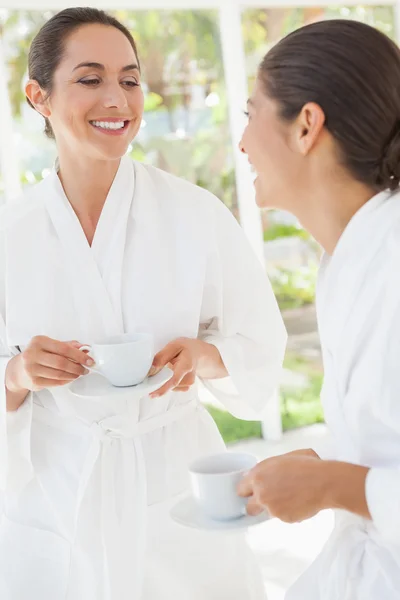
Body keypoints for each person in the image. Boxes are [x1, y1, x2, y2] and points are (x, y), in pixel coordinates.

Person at [0, 7, 287, 600]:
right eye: (89, 78)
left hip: (174, 479)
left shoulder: (195, 213)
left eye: (130, 80)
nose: (118, 99)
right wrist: (19, 373)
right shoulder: (12, 232)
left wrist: (203, 357)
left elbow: (260, 343)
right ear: (38, 97)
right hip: (59, 491)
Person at [237, 18, 400, 600]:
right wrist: (326, 458)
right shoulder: (348, 258)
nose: (242, 143)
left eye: (250, 113)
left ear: (306, 125)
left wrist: (335, 483)